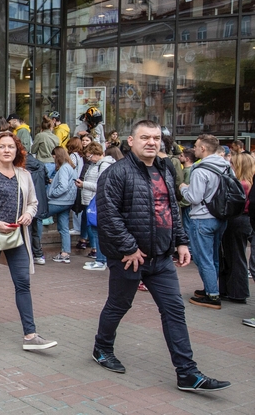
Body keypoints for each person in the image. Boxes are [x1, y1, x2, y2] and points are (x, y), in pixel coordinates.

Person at [93, 119, 230, 392]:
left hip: (162, 258)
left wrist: (181, 242)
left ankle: (187, 373)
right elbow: (108, 215)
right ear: (131, 141)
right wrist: (129, 247)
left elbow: (171, 209)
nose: (151, 142)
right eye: (145, 137)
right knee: (119, 305)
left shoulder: (165, 169)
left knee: (174, 310)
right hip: (129, 258)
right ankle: (102, 348)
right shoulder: (116, 173)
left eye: (155, 138)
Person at [0, 132, 57, 350]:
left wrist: (29, 215)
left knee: (23, 282)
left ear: (17, 151)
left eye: (11, 147)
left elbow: (33, 202)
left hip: (17, 236)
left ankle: (30, 335)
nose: (7, 150)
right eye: (2, 146)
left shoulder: (24, 174)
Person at [179, 134, 229, 310]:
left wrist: (183, 188)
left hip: (202, 218)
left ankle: (212, 295)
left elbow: (194, 197)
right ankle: (211, 287)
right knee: (214, 257)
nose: (194, 149)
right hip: (220, 216)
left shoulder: (200, 170)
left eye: (196, 146)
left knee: (203, 258)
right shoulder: (226, 166)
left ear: (203, 148)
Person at [219, 152, 254, 303]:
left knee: (235, 256)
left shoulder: (241, 184)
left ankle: (237, 293)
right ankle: (234, 290)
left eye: (233, 163)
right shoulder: (250, 183)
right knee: (237, 256)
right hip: (246, 221)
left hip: (237, 221)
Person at [76, 142, 115, 271]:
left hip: (97, 200)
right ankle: (100, 259)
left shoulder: (103, 165)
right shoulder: (97, 164)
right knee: (95, 230)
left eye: (90, 156)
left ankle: (101, 260)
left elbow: (101, 185)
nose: (89, 159)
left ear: (96, 154)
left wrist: (84, 184)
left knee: (97, 231)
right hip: (94, 199)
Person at [47, 146, 77, 264]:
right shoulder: (70, 167)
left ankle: (36, 251)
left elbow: (63, 187)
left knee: (38, 216)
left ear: (57, 156)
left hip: (59, 201)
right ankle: (65, 253)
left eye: (54, 156)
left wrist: (52, 193)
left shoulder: (64, 168)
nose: (53, 159)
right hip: (68, 201)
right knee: (64, 228)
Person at [25, 154, 48, 265]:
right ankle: (38, 255)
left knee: (27, 230)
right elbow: (46, 180)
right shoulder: (41, 165)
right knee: (35, 230)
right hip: (39, 201)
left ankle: (28, 255)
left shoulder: (20, 167)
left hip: (27, 202)